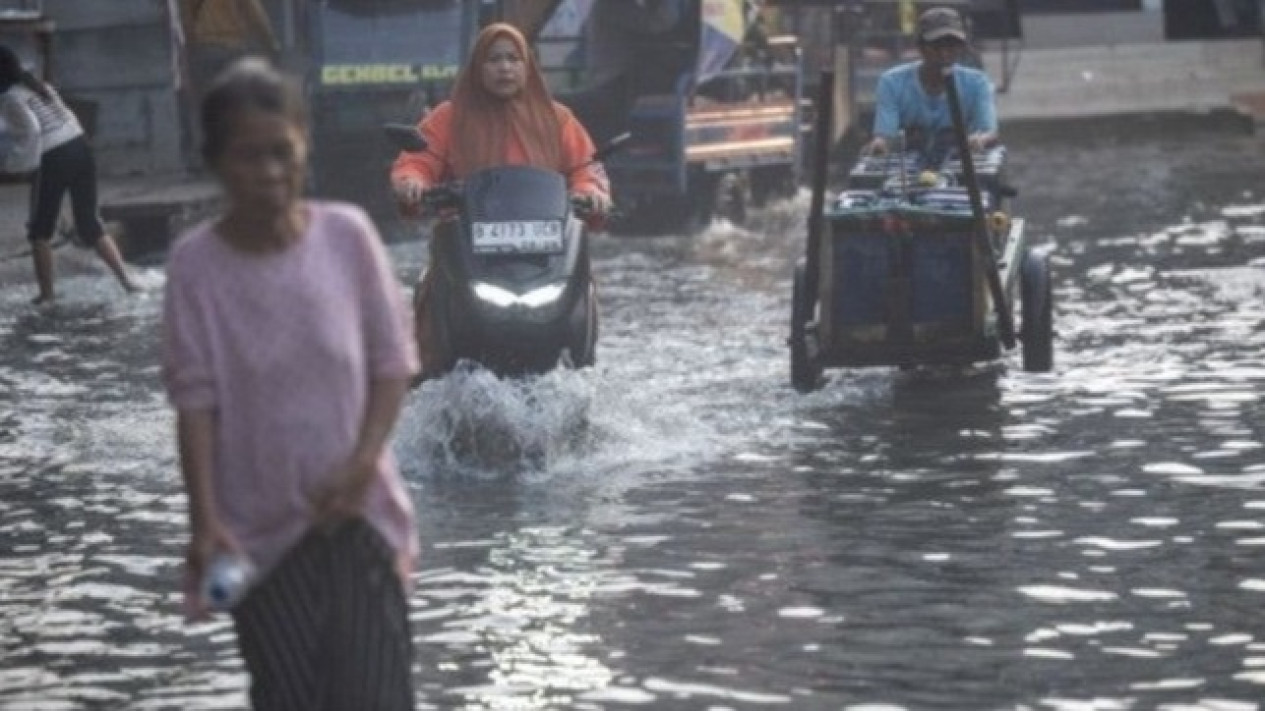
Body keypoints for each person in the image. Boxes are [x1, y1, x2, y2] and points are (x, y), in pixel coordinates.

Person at [161, 58, 419, 710]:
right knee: (286, 697)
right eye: (249, 156)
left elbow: (393, 364)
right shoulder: (195, 266)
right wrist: (205, 522)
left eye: (283, 151)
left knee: (377, 695)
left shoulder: (347, 237)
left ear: (305, 143)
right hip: (257, 535)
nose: (270, 172)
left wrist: (362, 464)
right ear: (216, 161)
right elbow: (194, 402)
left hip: (356, 516)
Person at [390, 22, 612, 380]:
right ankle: (425, 380)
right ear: (478, 68)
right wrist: (412, 183)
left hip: (547, 250)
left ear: (528, 66)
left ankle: (583, 368)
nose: (505, 67)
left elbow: (586, 168)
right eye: (494, 60)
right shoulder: (448, 118)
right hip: (467, 247)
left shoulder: (558, 119)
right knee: (428, 295)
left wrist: (591, 194)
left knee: (584, 289)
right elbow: (417, 161)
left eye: (513, 59)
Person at [0, 44, 138, 305]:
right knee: (89, 222)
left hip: (53, 157)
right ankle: (128, 282)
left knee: (40, 229)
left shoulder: (10, 98)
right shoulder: (39, 86)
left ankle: (47, 295)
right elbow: (68, 116)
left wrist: (12, 166)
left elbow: (31, 133)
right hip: (79, 148)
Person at [864, 7, 998, 158]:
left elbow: (988, 131)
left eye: (951, 46)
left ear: (961, 47)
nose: (944, 53)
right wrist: (880, 144)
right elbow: (886, 135)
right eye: (936, 46)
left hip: (960, 161)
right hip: (907, 165)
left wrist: (979, 140)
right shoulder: (892, 82)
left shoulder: (978, 83)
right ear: (920, 47)